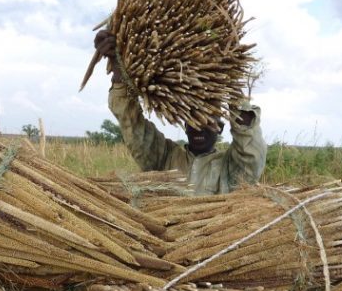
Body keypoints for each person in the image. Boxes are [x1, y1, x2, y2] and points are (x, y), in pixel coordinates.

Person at [94, 29, 267, 195]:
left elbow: (250, 150)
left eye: (208, 120)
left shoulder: (229, 167)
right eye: (192, 119)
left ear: (220, 128)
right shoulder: (165, 157)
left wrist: (231, 75)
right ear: (184, 125)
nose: (199, 127)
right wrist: (118, 66)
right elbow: (131, 123)